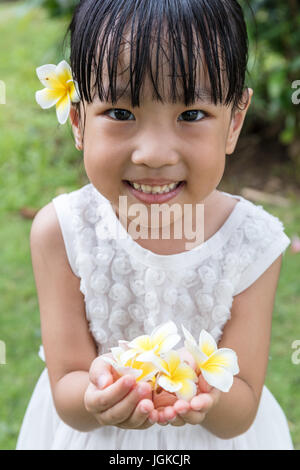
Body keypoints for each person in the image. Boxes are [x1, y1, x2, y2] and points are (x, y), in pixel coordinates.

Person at [16, 0, 294, 450]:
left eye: (191, 115)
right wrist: (94, 396)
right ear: (78, 119)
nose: (154, 153)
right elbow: (66, 380)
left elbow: (241, 406)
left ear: (234, 121)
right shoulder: (61, 232)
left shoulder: (252, 242)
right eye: (122, 114)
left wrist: (203, 395)